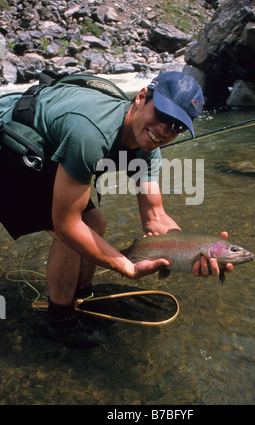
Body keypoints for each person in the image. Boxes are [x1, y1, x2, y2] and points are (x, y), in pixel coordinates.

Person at [0, 70, 233, 346]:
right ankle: (59, 320)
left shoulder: (148, 150)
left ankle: (82, 296)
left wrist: (189, 249)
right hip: (10, 141)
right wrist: (125, 266)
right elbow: (67, 225)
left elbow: (155, 216)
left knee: (95, 223)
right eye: (162, 116)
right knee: (74, 230)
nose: (164, 131)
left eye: (177, 127)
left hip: (48, 144)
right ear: (141, 97)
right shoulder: (91, 132)